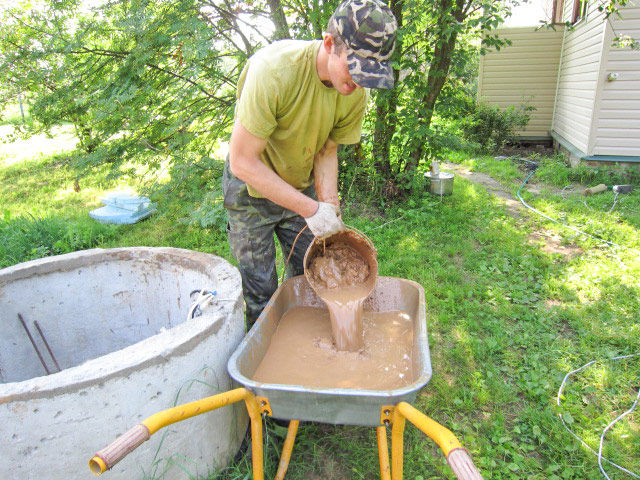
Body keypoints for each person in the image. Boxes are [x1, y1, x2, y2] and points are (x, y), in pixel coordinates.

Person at [223, 0, 397, 325]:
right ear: (330, 44)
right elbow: (242, 162)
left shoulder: (354, 93)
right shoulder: (274, 71)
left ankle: (311, 352)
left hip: (298, 187)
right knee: (261, 292)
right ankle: (268, 367)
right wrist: (311, 210)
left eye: (369, 73)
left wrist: (329, 209)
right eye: (355, 68)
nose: (359, 82)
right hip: (250, 190)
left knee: (313, 275)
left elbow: (327, 151)